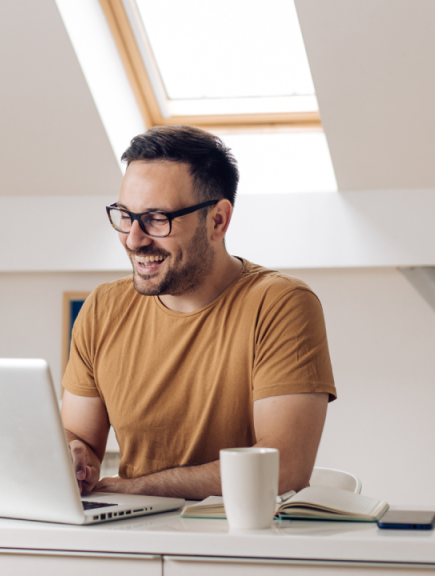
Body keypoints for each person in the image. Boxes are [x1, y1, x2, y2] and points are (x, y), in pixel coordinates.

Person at [61, 125, 336, 500]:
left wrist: (135, 489)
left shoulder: (281, 304)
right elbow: (79, 438)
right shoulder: (102, 308)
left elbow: (283, 468)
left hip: (238, 542)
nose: (133, 238)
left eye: (157, 219)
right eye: (125, 215)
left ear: (218, 221)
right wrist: (74, 453)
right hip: (131, 536)